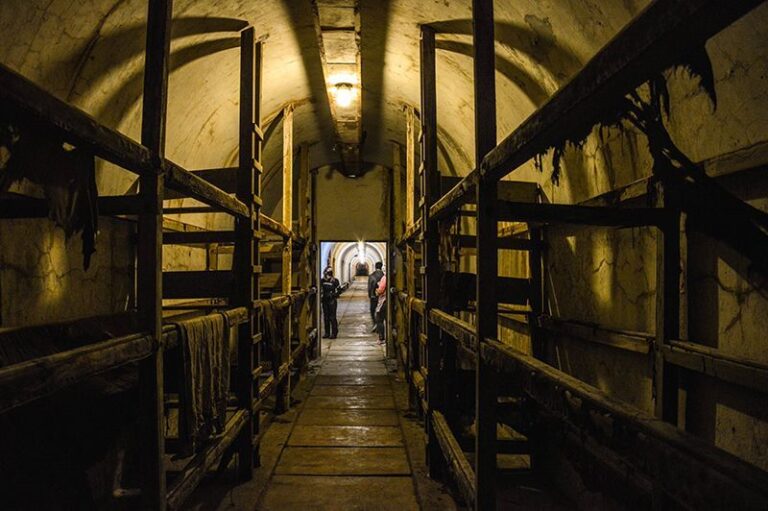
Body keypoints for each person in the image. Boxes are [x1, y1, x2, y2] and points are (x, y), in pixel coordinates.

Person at [321, 268, 340, 339]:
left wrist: (333, 295)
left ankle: (334, 333)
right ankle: (327, 333)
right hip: (325, 300)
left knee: (332, 317)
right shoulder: (322, 280)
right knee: (326, 317)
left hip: (332, 301)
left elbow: (339, 291)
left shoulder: (335, 281)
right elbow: (320, 289)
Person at [374, 272, 387, 344]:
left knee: (379, 319)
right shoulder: (389, 277)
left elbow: (380, 290)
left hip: (383, 301)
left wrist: (376, 291)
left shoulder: (384, 278)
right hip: (387, 301)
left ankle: (381, 338)